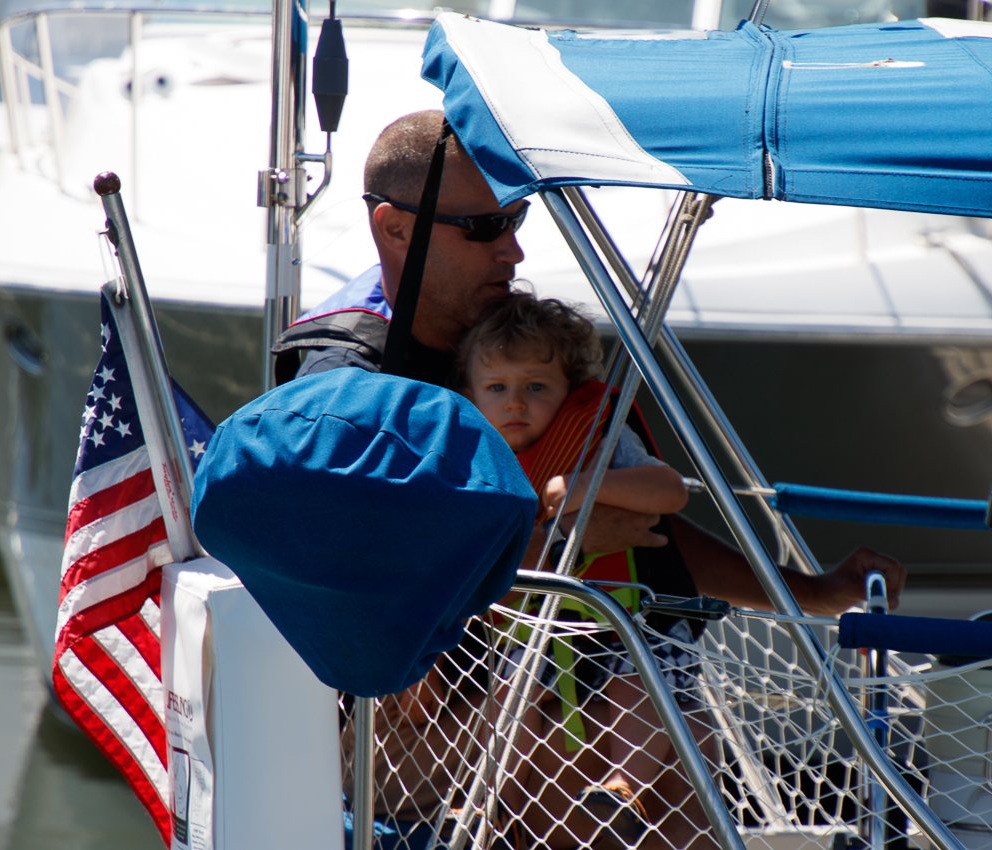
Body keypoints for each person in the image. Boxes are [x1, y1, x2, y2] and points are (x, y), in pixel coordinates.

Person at [278, 109, 908, 849]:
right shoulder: (341, 385)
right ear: (396, 230)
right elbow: (351, 581)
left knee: (685, 787)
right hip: (406, 719)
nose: (511, 250)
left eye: (515, 218)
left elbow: (649, 531)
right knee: (564, 783)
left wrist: (812, 594)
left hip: (576, 671)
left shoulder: (519, 348)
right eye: (481, 229)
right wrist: (555, 545)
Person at [459, 290, 698, 843]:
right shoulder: (476, 457)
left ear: (571, 393)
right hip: (541, 623)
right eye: (497, 389)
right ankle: (485, 794)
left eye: (536, 388)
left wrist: (583, 486)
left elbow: (670, 490)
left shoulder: (601, 439)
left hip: (633, 617)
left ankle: (623, 786)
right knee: (511, 691)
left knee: (639, 681)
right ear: (471, 397)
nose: (515, 404)